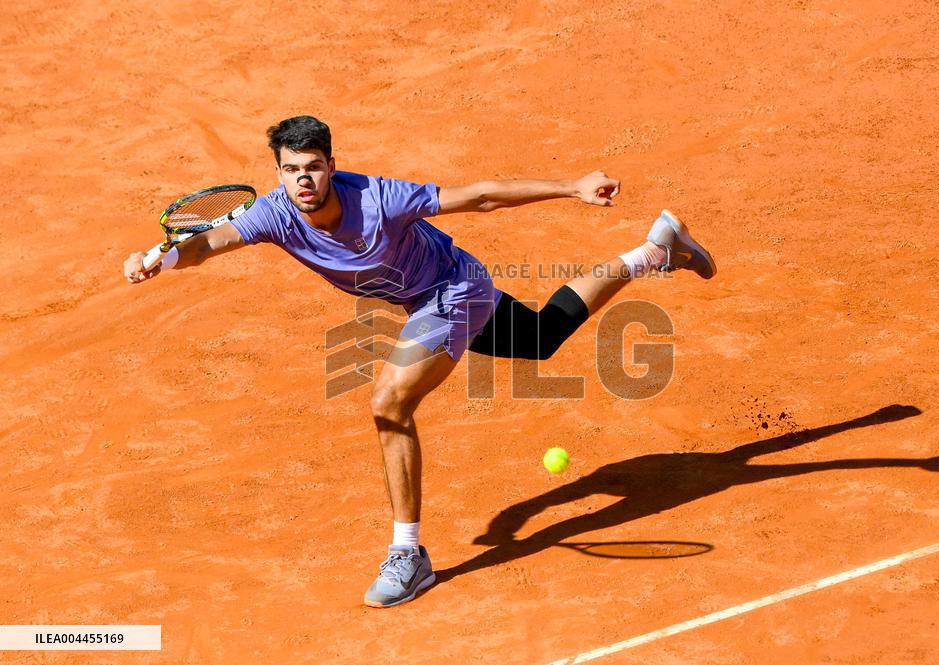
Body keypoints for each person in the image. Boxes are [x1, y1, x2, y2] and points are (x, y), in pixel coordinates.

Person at [123, 115, 717, 608]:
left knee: (390, 402)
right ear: (278, 173)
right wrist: (160, 259)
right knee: (539, 337)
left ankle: (408, 555)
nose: (303, 179)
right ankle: (655, 250)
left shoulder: (380, 199)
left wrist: (570, 186)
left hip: (453, 291)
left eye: (314, 167)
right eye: (291, 169)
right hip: (424, 297)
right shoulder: (275, 213)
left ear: (332, 165)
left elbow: (479, 196)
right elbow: (208, 243)